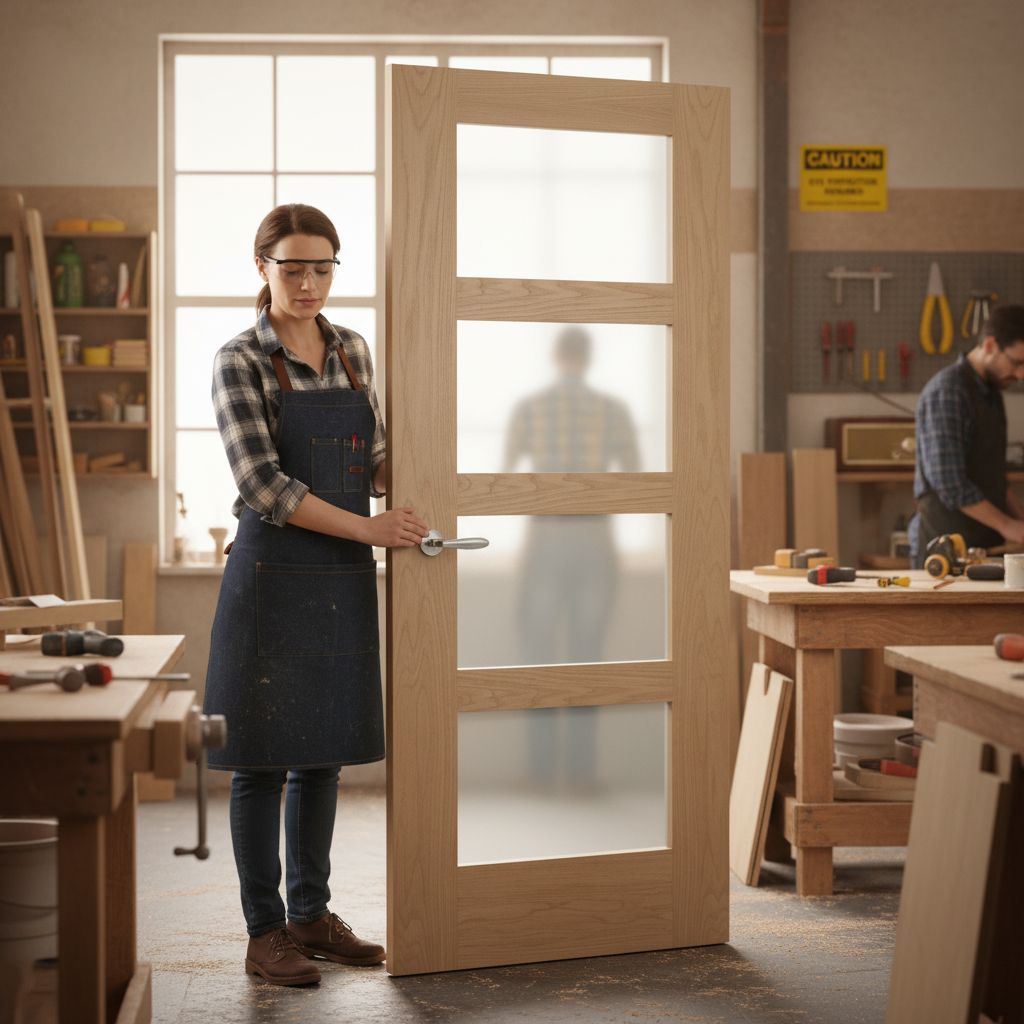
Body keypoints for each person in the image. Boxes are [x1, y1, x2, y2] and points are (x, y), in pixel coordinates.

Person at [202, 204, 427, 986]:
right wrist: (372, 532)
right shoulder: (239, 359)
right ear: (261, 267)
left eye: (322, 267)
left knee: (322, 755)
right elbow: (264, 485)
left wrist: (427, 482)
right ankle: (266, 935)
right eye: (292, 267)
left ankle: (311, 918)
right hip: (269, 576)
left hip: (336, 579)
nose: (307, 282)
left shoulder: (354, 352)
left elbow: (381, 458)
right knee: (262, 762)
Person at [503, 326, 639, 790]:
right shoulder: (613, 411)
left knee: (538, 660)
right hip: (595, 541)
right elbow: (636, 480)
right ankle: (581, 774)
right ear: (588, 357)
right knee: (587, 660)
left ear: (556, 354)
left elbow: (502, 481)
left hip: (545, 538)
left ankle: (541, 774)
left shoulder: (530, 408)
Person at [910, 304, 1024, 567]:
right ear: (990, 345)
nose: (1020, 374)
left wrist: (1019, 521)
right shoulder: (949, 391)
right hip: (944, 545)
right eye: (1016, 362)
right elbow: (950, 484)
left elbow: (994, 474)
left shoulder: (991, 393)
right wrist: (1008, 525)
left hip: (983, 541)